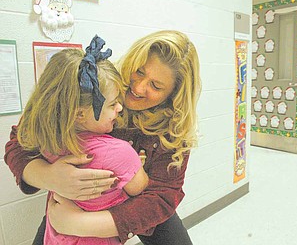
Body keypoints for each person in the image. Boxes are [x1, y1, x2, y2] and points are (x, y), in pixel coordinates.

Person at [4, 30, 201, 245]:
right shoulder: (94, 80)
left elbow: (163, 195)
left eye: (155, 86)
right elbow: (20, 141)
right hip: (75, 202)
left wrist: (79, 224)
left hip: (141, 205)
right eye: (139, 72)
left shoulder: (174, 126)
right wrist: (48, 176)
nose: (137, 87)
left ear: (172, 95)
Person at [15, 35, 149, 245]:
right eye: (112, 104)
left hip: (57, 238)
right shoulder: (119, 152)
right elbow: (138, 187)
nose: (119, 108)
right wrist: (136, 163)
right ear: (79, 114)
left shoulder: (45, 137)